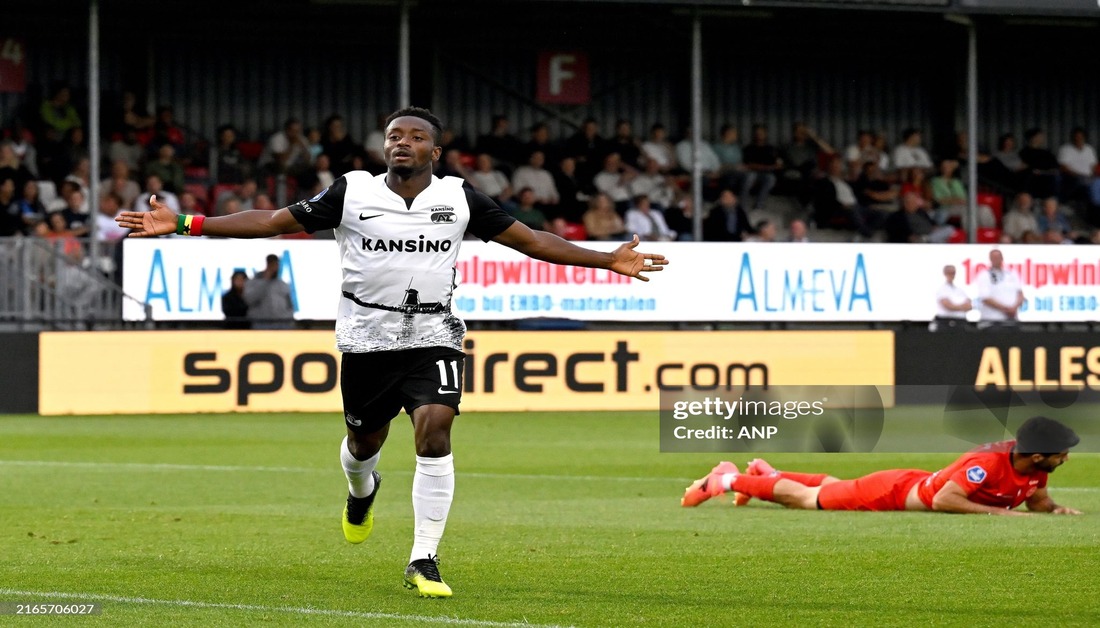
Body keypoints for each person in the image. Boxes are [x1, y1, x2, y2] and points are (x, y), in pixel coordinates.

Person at [116, 106, 667, 598]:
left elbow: (530, 240)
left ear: (435, 151)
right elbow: (273, 222)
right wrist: (187, 223)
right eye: (393, 135)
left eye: (414, 135)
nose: (401, 142)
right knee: (364, 441)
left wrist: (604, 260)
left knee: (436, 430)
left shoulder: (458, 198)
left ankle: (423, 557)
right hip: (365, 335)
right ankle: (361, 491)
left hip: (435, 333)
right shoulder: (351, 192)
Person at [682, 416, 1081, 516]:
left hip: (905, 483)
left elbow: (1037, 502)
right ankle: (727, 479)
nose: (1065, 458)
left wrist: (1055, 509)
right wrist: (998, 514)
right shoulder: (986, 464)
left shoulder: (1035, 469)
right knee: (808, 500)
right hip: (891, 492)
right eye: (1060, 452)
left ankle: (767, 477)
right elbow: (945, 500)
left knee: (834, 486)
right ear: (1036, 454)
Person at [974, 248, 1024, 329]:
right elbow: (985, 298)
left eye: (998, 257)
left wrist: (1014, 308)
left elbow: (1020, 293)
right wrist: (1005, 309)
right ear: (990, 259)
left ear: (1002, 258)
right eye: (994, 258)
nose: (996, 260)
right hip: (992, 321)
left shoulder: (1011, 274)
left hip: (1011, 320)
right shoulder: (984, 275)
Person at [242, 254, 295, 329]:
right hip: (261, 323)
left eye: (276, 264)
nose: (274, 268)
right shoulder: (252, 283)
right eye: (271, 264)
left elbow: (289, 305)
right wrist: (265, 280)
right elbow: (249, 300)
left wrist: (288, 318)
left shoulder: (283, 284)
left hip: (282, 324)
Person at [931, 264, 970, 331]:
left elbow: (969, 306)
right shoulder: (942, 289)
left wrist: (955, 306)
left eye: (953, 273)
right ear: (945, 273)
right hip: (945, 323)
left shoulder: (960, 290)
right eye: (949, 273)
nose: (952, 275)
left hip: (961, 323)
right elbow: (948, 306)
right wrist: (962, 307)